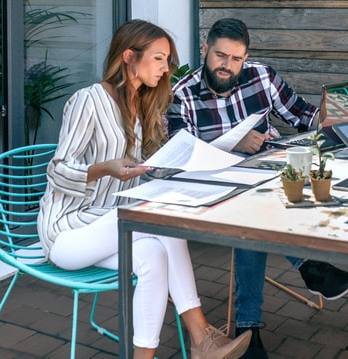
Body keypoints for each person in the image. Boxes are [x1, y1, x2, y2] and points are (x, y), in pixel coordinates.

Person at [37, 20, 251, 359]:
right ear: (129, 57)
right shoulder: (88, 100)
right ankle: (200, 337)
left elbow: (137, 177)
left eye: (167, 60)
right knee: (161, 221)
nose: (167, 69)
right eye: (159, 58)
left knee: (153, 256)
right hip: (68, 231)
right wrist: (106, 167)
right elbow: (57, 171)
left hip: (105, 223)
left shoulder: (141, 106)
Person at [168, 18, 348, 359]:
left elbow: (303, 114)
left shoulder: (261, 76)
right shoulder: (182, 94)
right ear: (205, 50)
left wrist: (336, 114)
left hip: (265, 180)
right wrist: (231, 143)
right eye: (220, 56)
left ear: (246, 57)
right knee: (250, 217)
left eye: (236, 59)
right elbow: (180, 153)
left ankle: (248, 329)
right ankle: (307, 268)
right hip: (213, 188)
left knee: (276, 194)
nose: (227, 66)